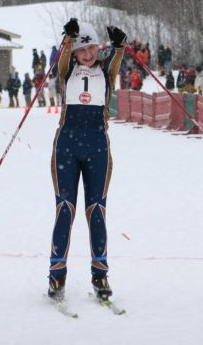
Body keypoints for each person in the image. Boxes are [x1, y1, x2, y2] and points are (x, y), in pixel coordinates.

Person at [47, 18, 125, 303]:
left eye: (92, 48)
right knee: (65, 208)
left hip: (97, 146)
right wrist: (68, 39)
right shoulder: (67, 71)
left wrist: (119, 45)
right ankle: (57, 274)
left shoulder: (105, 71)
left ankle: (100, 273)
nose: (88, 54)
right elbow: (63, 59)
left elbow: (117, 57)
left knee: (96, 209)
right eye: (83, 50)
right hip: (67, 145)